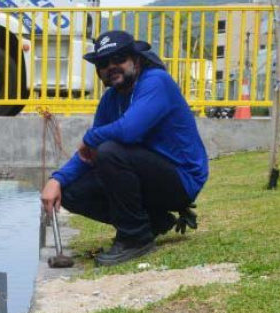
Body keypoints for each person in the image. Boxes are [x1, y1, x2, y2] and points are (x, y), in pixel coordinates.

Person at [40, 30, 209, 266]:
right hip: (142, 176)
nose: (112, 67)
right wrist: (56, 180)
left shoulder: (156, 81)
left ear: (136, 60)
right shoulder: (110, 100)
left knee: (109, 152)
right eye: (104, 63)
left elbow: (129, 130)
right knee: (70, 192)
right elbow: (87, 154)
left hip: (180, 179)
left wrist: (91, 138)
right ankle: (153, 222)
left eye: (119, 59)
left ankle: (134, 238)